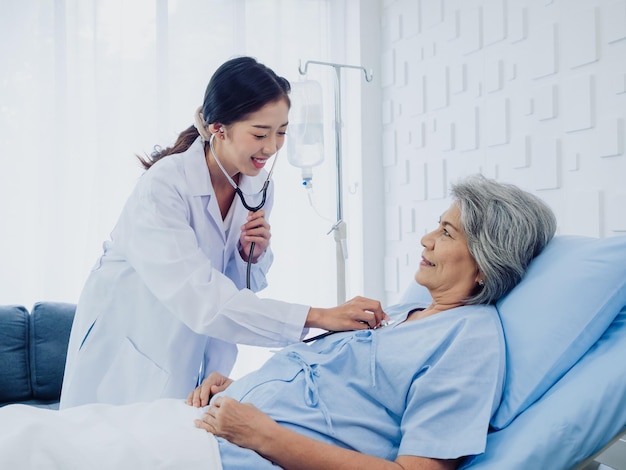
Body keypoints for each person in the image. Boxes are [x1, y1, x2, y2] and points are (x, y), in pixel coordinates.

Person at [0, 175, 557, 469]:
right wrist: (236, 389)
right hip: (205, 425)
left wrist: (261, 433)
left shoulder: (469, 340)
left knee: (30, 450)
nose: (425, 239)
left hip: (227, 454)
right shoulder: (401, 316)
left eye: (447, 232)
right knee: (25, 432)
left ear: (485, 265)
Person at [59, 56, 386, 410]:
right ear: (218, 128)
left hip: (188, 346)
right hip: (127, 346)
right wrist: (318, 315)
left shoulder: (257, 187)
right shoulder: (165, 186)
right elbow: (201, 296)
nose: (272, 146)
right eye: (260, 133)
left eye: (281, 132)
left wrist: (252, 256)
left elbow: (235, 286)